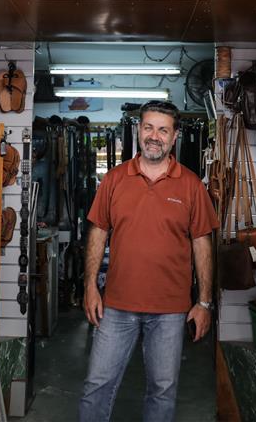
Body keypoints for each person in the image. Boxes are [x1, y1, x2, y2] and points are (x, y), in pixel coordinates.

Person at [78, 100, 218, 422]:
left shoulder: (192, 186)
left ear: (175, 136)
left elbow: (202, 244)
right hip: (116, 306)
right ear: (139, 130)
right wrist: (90, 287)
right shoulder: (114, 180)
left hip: (169, 311)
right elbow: (98, 233)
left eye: (163, 130)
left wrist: (205, 302)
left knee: (162, 391)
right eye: (149, 127)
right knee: (96, 386)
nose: (154, 136)